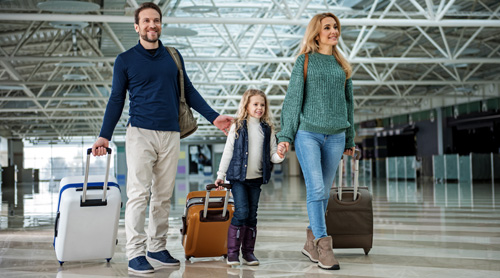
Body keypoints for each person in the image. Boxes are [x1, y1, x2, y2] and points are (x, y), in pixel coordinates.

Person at [91, 2, 232, 274]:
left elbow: (188, 90)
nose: (151, 25)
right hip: (140, 133)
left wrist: (213, 116)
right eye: (146, 21)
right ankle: (135, 253)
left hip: (171, 133)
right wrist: (104, 136)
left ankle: (156, 247)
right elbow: (116, 99)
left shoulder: (173, 56)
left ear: (160, 24)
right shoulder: (125, 60)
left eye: (155, 20)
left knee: (163, 196)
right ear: (137, 27)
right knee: (138, 195)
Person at [276, 13, 356, 271]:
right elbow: (292, 100)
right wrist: (286, 135)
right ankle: (323, 246)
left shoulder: (342, 65)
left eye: (336, 27)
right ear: (317, 33)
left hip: (336, 135)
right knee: (317, 190)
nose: (333, 31)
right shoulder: (305, 61)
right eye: (328, 27)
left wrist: (350, 138)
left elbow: (349, 106)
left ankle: (310, 242)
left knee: (324, 195)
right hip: (308, 134)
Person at [215, 89, 285, 266]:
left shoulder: (267, 129)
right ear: (246, 105)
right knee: (241, 212)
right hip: (238, 179)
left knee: (252, 216)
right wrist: (220, 175)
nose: (259, 108)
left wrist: (280, 155)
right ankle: (232, 254)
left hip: (256, 180)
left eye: (262, 104)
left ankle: (248, 253)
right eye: (255, 104)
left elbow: (272, 155)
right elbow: (228, 152)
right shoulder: (237, 126)